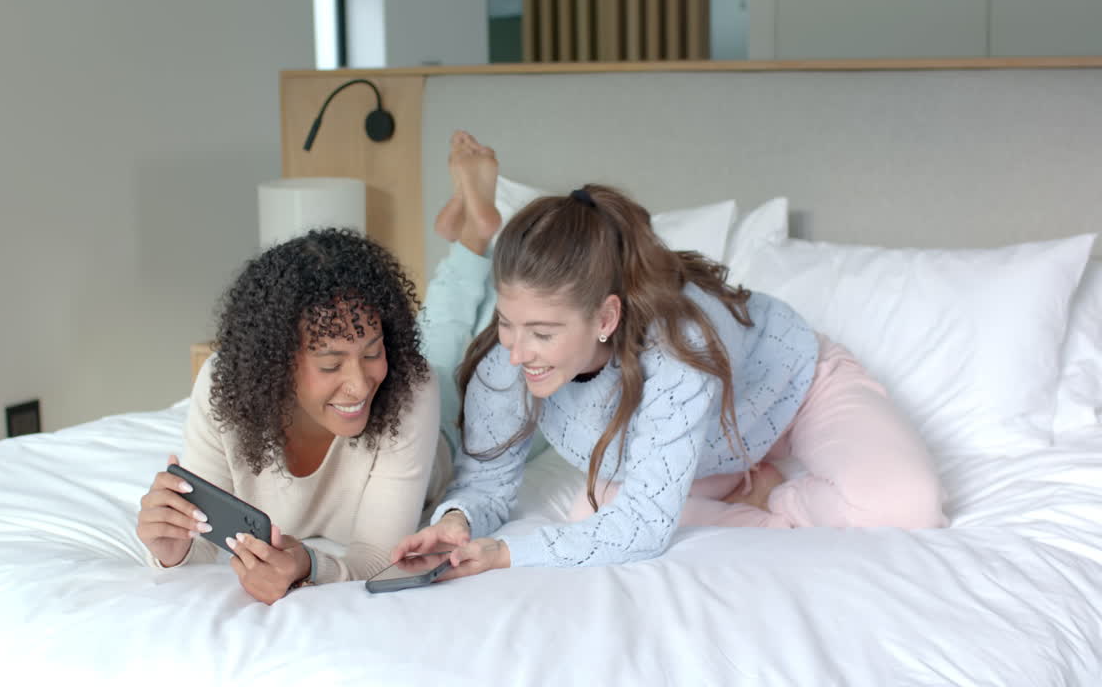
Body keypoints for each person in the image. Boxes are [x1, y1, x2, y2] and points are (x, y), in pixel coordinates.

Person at [394, 133, 948, 579]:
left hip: (794, 396)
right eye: (508, 323)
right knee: (593, 520)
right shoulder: (506, 363)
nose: (518, 353)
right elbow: (488, 483)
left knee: (909, 507)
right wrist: (456, 522)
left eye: (542, 333)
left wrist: (506, 554)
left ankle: (769, 495)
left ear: (605, 319)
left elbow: (645, 528)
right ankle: (743, 495)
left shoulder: (680, 344)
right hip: (699, 453)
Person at [137, 229, 450, 604]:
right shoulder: (226, 387)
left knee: (467, 356)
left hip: (447, 440)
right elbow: (204, 542)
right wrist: (172, 549)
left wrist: (310, 566)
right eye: (331, 364)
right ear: (278, 364)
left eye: (372, 353)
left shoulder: (411, 387)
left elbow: (380, 559)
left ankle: (472, 242)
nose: (361, 385)